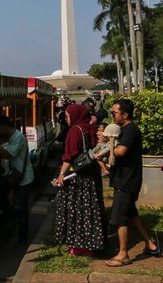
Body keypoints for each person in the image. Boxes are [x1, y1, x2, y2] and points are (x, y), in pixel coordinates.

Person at [107, 99, 159, 267]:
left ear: (125, 114)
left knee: (120, 217)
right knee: (131, 214)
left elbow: (121, 151)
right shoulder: (124, 129)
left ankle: (123, 254)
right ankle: (150, 243)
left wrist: (105, 148)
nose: (112, 116)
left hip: (127, 181)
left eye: (114, 113)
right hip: (124, 179)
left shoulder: (130, 130)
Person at [54, 104, 107, 256]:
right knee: (90, 210)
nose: (67, 119)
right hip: (91, 175)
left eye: (68, 116)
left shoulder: (74, 131)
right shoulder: (89, 127)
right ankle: (92, 244)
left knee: (77, 211)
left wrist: (61, 174)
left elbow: (69, 156)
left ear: (75, 115)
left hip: (78, 177)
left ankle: (78, 246)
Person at [0, 115, 34, 245]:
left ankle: (22, 239)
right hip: (15, 175)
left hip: (23, 177)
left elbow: (8, 154)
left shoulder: (18, 137)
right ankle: (12, 214)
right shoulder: (11, 137)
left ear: (5, 126)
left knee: (22, 208)